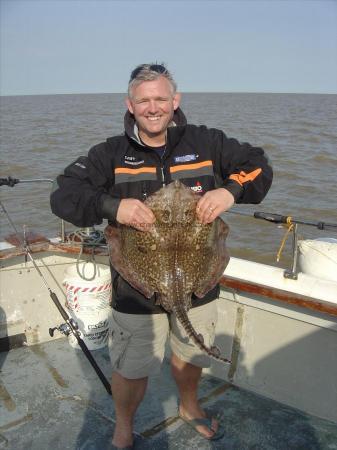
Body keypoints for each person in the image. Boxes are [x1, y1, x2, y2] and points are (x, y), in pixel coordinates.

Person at [50, 63, 273, 449]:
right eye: (143, 101)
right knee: (132, 366)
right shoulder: (110, 154)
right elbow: (63, 194)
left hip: (199, 280)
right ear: (130, 105)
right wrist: (112, 207)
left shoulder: (207, 143)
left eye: (160, 99)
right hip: (135, 287)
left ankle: (189, 405)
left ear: (175, 101)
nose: (153, 108)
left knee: (190, 355)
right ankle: (124, 424)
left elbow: (258, 165)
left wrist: (230, 191)